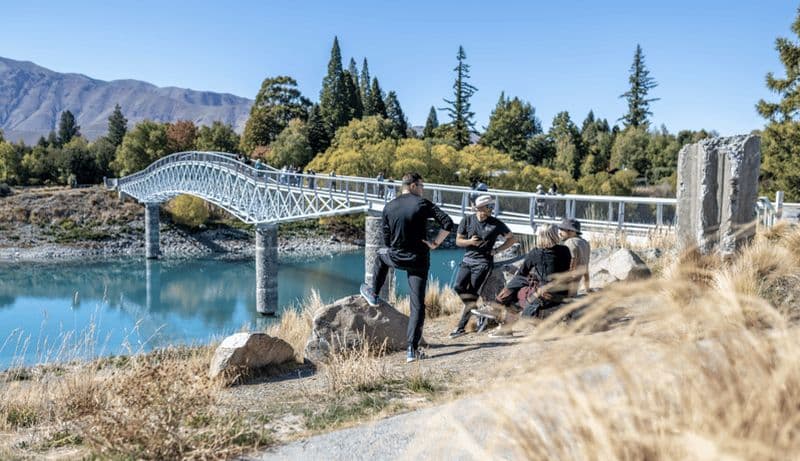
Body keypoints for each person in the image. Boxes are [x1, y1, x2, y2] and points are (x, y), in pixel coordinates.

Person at [360, 172, 455, 363]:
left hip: (396, 256)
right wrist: (435, 243)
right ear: (412, 185)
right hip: (419, 259)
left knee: (380, 254)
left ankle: (373, 293)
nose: (423, 189)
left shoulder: (388, 207)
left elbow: (387, 241)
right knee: (417, 304)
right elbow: (448, 223)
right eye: (421, 185)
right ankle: (412, 350)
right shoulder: (423, 204)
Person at [471, 224, 571, 336]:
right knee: (520, 287)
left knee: (518, 286)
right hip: (562, 291)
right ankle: (500, 319)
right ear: (554, 236)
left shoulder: (536, 252)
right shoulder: (565, 250)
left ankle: (497, 312)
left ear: (540, 236)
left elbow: (522, 272)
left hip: (545, 294)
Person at [449, 195, 517, 339]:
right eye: (489, 207)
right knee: (458, 287)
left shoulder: (496, 223)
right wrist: (470, 242)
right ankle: (476, 310)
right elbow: (458, 241)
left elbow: (512, 239)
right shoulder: (467, 220)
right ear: (480, 208)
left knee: (472, 293)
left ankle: (460, 328)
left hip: (484, 263)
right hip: (467, 260)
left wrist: (497, 250)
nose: (492, 209)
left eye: (492, 206)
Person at [558, 218, 591, 296]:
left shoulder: (570, 242)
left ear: (571, 231)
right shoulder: (585, 243)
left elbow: (572, 263)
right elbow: (586, 268)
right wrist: (587, 288)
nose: (560, 232)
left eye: (562, 229)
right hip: (575, 286)